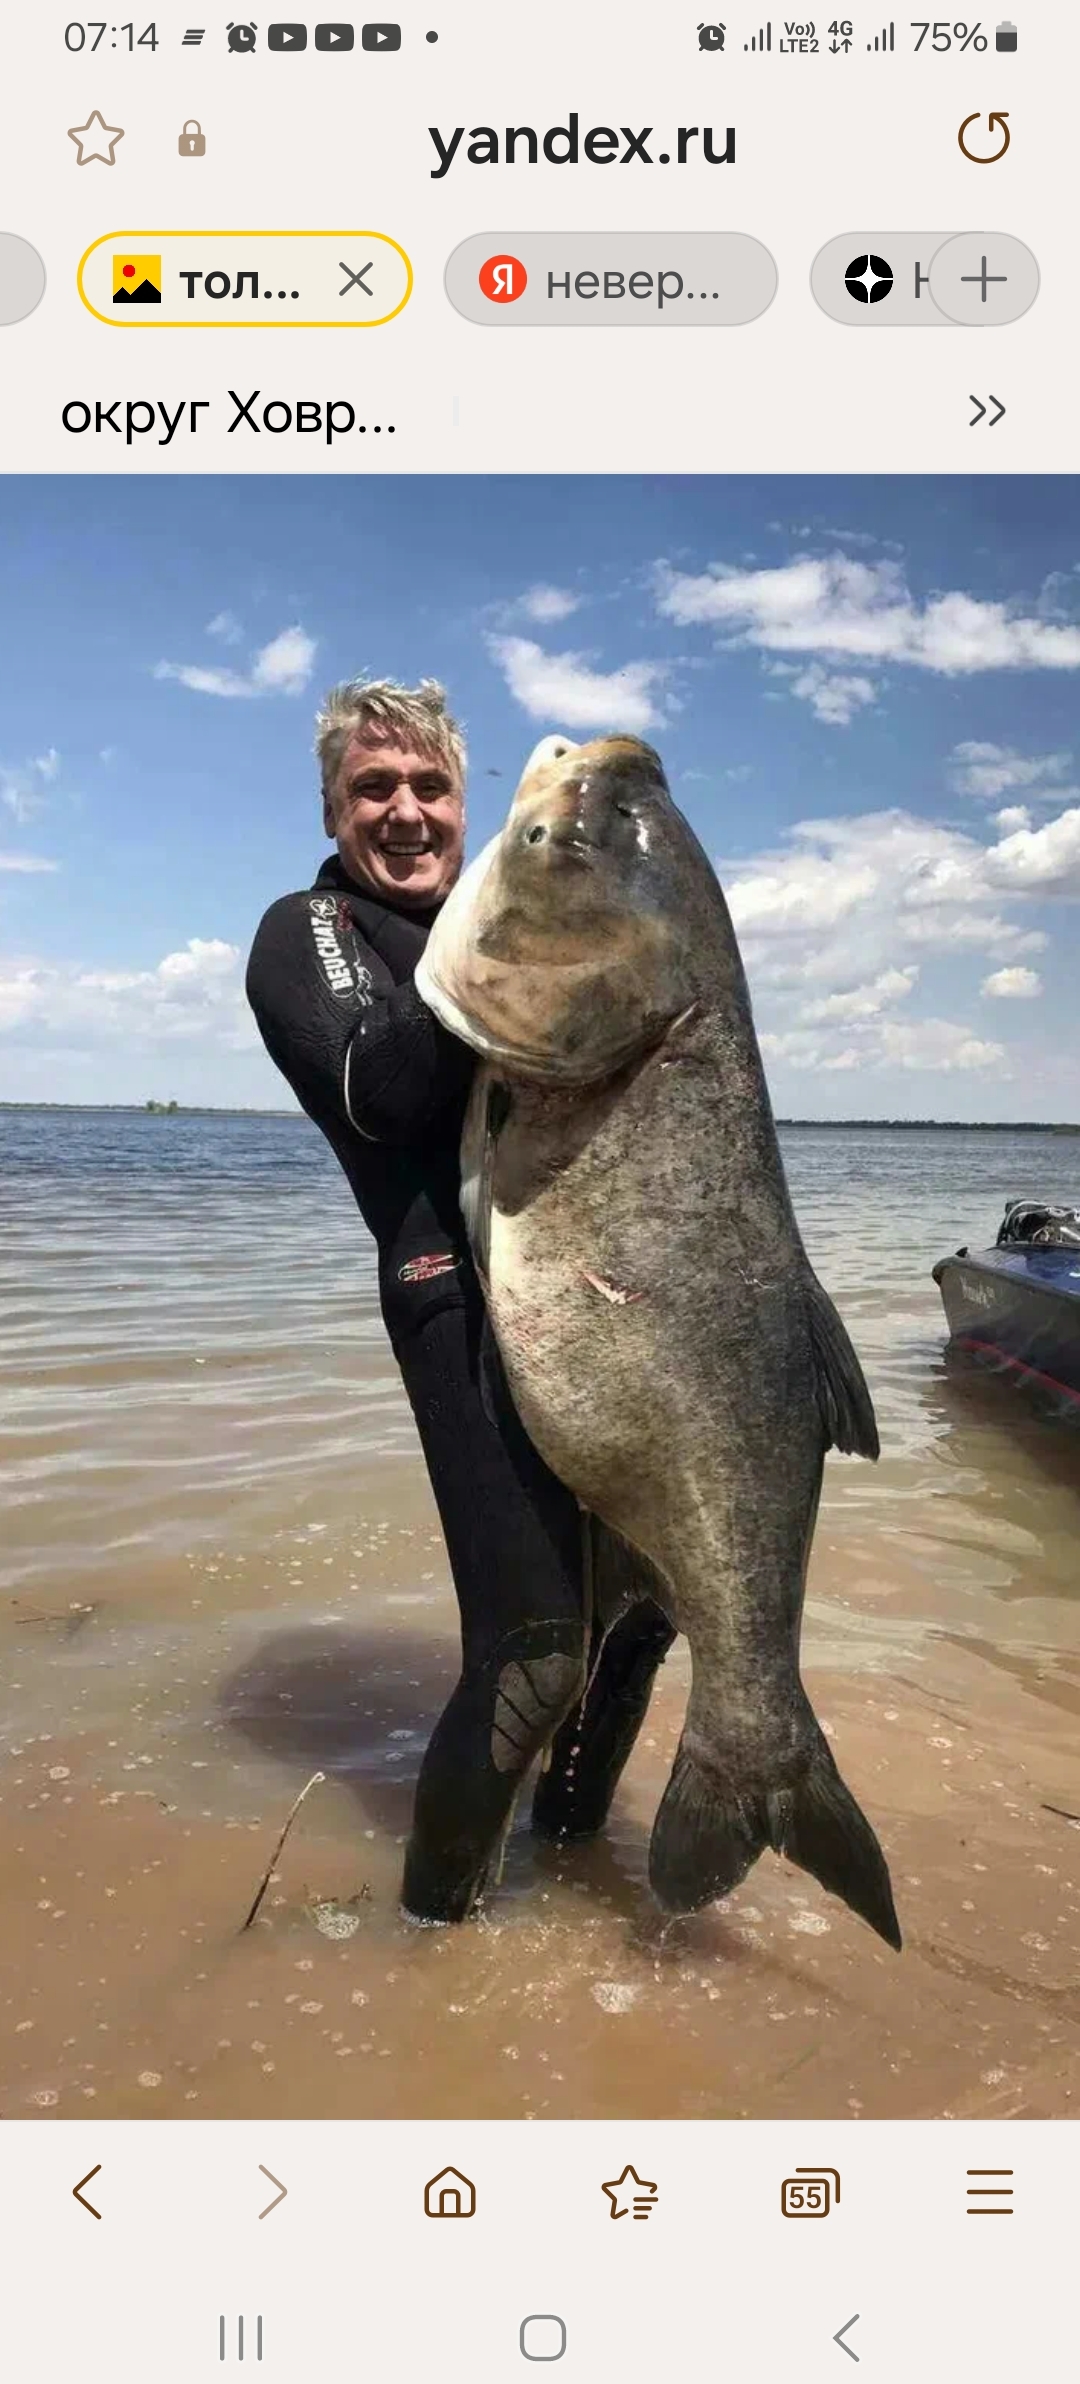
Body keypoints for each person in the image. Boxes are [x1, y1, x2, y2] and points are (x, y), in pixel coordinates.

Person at [246, 677, 673, 1922]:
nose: (406, 810)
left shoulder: (502, 915)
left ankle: (572, 1867)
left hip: (597, 1298)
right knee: (538, 1651)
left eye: (430, 785)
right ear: (331, 807)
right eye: (373, 786)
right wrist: (517, 943)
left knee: (640, 1617)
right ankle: (437, 1936)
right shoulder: (307, 929)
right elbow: (384, 1091)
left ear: (465, 799)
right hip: (454, 1297)